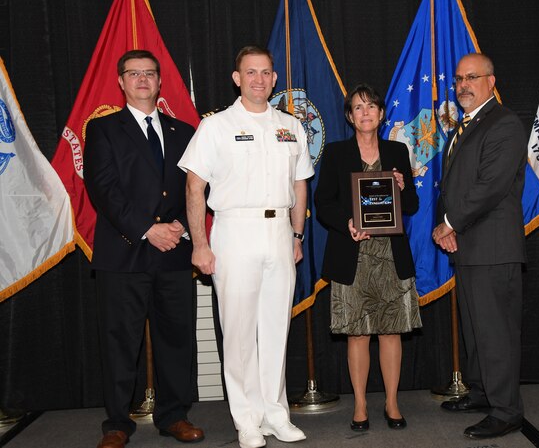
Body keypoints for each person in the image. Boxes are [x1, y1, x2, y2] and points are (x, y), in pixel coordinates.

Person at [178, 45, 312, 448]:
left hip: (279, 233)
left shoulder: (291, 125)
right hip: (234, 231)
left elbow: (300, 183)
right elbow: (194, 186)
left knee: (275, 328)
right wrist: (200, 245)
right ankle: (247, 419)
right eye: (250, 73)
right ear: (237, 78)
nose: (259, 80)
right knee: (238, 332)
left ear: (274, 79)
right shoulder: (216, 126)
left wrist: (296, 235)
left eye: (266, 73)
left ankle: (275, 413)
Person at [84, 50, 204, 448]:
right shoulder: (103, 130)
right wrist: (147, 229)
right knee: (120, 342)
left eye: (149, 74)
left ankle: (174, 416)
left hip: (173, 252)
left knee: (177, 339)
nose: (141, 80)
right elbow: (103, 189)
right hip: (124, 253)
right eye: (133, 74)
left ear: (159, 81)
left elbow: (199, 190)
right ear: (121, 81)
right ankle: (117, 422)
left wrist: (182, 228)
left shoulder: (184, 131)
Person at [315, 84, 422, 432]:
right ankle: (360, 405)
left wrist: (403, 186)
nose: (365, 113)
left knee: (391, 332)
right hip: (353, 254)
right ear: (350, 116)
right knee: (357, 335)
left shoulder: (396, 151)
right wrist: (347, 224)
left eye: (371, 107)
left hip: (390, 255)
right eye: (358, 108)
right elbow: (323, 204)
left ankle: (392, 402)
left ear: (380, 114)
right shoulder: (334, 154)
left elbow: (411, 207)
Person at [432, 53, 527, 439]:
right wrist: (450, 226)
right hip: (469, 246)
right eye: (458, 79)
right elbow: (454, 184)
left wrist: (450, 223)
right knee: (475, 329)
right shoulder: (466, 125)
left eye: (471, 77)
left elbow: (490, 186)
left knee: (495, 332)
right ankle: (485, 392)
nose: (462, 86)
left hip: (492, 248)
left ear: (491, 80)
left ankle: (506, 411)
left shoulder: (504, 123)